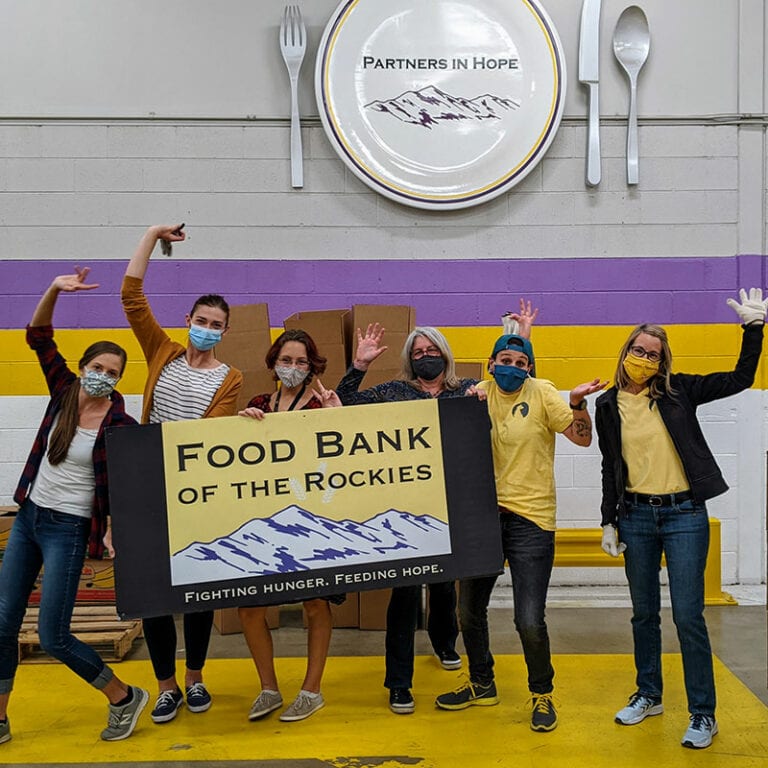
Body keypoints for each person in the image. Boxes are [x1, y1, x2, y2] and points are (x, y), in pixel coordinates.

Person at [336, 308, 535, 715]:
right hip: (408, 509)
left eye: (433, 349)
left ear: (445, 354)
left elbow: (521, 391)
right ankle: (398, 683)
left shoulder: (470, 391)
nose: (427, 355)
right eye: (419, 350)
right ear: (411, 358)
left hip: (458, 505)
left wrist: (523, 339)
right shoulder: (393, 391)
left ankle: (446, 643)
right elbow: (345, 404)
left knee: (447, 587)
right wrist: (359, 365)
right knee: (405, 594)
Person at [594, 288, 766, 750]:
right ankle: (649, 694)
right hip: (635, 517)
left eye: (654, 354)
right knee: (643, 615)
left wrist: (753, 329)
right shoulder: (607, 404)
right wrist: (608, 520)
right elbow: (611, 464)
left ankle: (703, 714)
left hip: (685, 513)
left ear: (663, 360)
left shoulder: (679, 391)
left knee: (689, 616)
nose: (645, 359)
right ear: (625, 352)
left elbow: (741, 378)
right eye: (639, 351)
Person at [0, 268, 149, 744]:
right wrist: (54, 290)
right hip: (29, 518)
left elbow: (127, 487)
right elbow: (38, 336)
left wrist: (112, 532)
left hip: (67, 528)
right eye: (98, 367)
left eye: (113, 373)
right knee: (2, 624)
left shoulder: (119, 424)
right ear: (84, 366)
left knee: (52, 636)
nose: (103, 377)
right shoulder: (63, 393)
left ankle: (124, 696)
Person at [435, 332, 606, 733]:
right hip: (483, 518)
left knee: (528, 619)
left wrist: (577, 403)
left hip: (532, 519)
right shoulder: (477, 393)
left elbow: (582, 440)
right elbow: (444, 433)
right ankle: (481, 683)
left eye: (520, 362)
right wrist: (465, 408)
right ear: (491, 362)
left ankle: (542, 692)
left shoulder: (543, 392)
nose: (511, 367)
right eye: (504, 360)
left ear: (530, 367)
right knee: (468, 611)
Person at [121, 225, 243, 724]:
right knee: (153, 593)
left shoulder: (228, 378)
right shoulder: (162, 353)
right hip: (148, 489)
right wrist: (152, 235)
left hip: (195, 496)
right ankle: (166, 685)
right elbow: (131, 296)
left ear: (224, 331)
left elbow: (210, 434)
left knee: (198, 589)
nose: (208, 329)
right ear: (187, 320)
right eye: (202, 320)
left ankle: (195, 678)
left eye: (217, 324)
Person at [237, 329, 344, 723]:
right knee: (250, 606)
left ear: (312, 366)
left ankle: (311, 690)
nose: (293, 368)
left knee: (315, 603)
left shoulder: (320, 405)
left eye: (301, 362)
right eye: (286, 360)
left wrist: (339, 417)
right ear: (273, 363)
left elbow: (345, 459)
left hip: (312, 518)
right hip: (264, 521)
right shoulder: (258, 404)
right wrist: (242, 425)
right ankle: (268, 688)